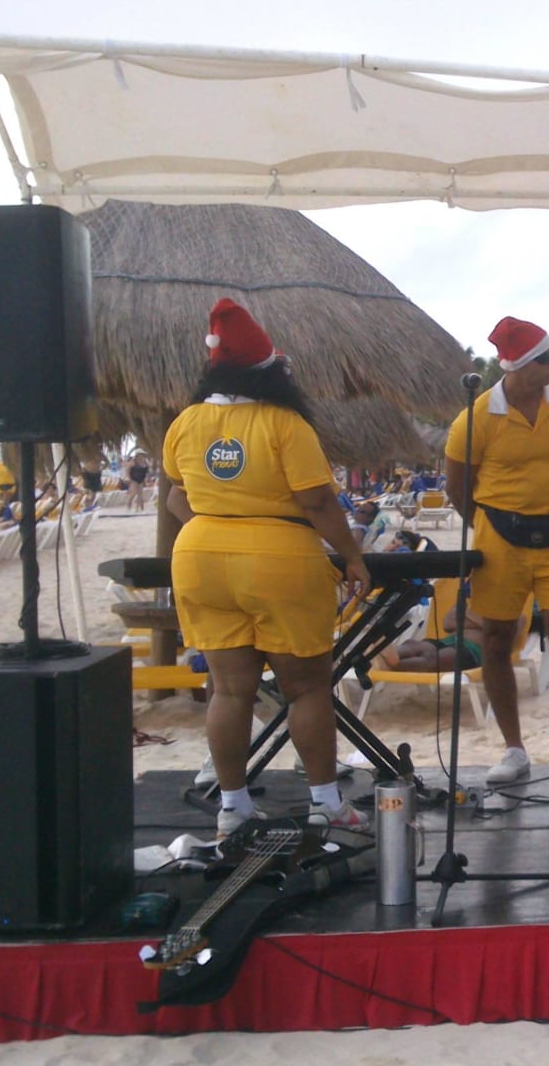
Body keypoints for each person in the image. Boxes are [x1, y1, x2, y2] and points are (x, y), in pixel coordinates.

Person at [160, 299, 371, 842]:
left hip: (201, 559)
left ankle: (233, 808)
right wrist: (351, 555)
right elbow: (318, 502)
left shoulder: (185, 422)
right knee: (306, 688)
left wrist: (214, 524)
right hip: (280, 559)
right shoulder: (284, 423)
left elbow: (176, 495)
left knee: (230, 691)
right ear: (270, 372)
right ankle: (326, 804)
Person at [444, 316, 549, 792]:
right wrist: (488, 526)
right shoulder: (476, 417)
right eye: (546, 358)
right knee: (498, 640)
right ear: (518, 365)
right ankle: (514, 749)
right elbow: (457, 488)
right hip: (499, 537)